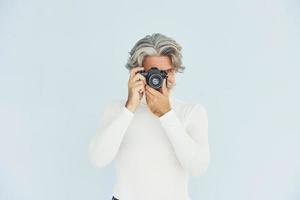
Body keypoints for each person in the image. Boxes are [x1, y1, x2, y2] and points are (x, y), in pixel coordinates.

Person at [89, 33, 210, 200]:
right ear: (137, 73)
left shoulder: (191, 112)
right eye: (152, 73)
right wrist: (129, 108)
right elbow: (98, 159)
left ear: (173, 73)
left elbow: (198, 167)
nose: (157, 79)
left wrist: (166, 114)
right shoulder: (117, 110)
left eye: (165, 72)